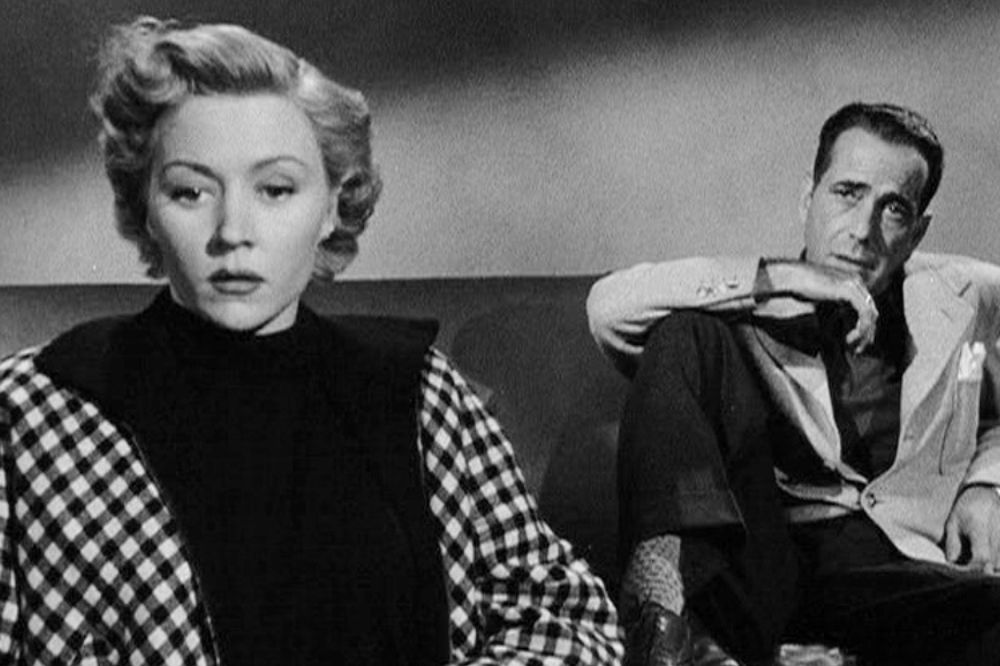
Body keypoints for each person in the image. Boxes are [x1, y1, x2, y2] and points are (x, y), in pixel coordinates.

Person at [0, 17, 624, 664]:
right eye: (190, 191)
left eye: (275, 189)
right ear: (146, 207)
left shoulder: (418, 393)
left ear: (330, 206)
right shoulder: (34, 411)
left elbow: (569, 621)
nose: (233, 230)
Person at [587, 102, 1000, 666]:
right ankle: (664, 627)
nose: (862, 231)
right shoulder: (748, 293)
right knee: (684, 333)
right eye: (847, 193)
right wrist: (788, 276)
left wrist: (986, 485)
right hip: (763, 566)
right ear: (809, 197)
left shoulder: (964, 294)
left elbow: (993, 411)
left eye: (893, 209)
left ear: (917, 231)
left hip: (893, 569)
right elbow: (607, 308)